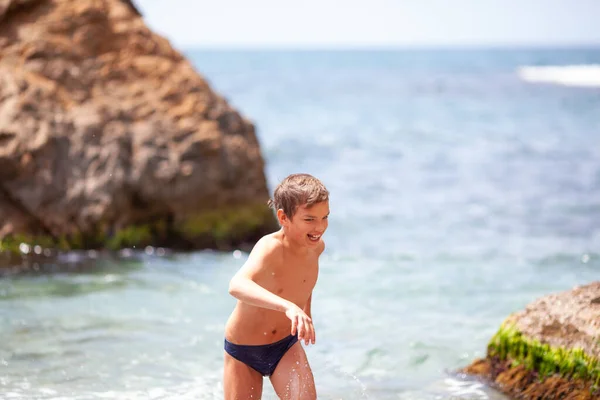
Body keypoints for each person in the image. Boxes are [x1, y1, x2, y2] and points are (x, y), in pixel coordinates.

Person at [223, 173, 330, 400]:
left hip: (284, 346)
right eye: (310, 219)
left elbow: (305, 278)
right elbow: (237, 285)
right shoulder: (270, 247)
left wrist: (305, 311)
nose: (319, 227)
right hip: (244, 350)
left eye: (325, 217)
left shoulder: (316, 247)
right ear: (284, 217)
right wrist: (288, 307)